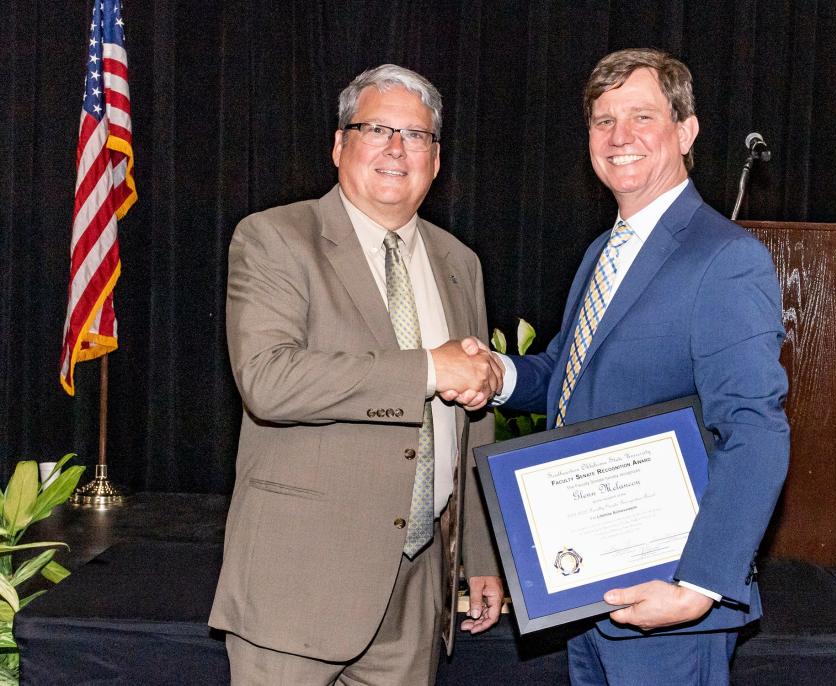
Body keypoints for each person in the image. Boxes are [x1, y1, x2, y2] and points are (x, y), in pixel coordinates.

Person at [478, 48, 790, 685]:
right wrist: (497, 375)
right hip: (589, 589)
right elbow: (568, 371)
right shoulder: (604, 250)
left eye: (642, 116)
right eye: (602, 121)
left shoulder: (725, 258)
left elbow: (755, 430)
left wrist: (698, 586)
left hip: (667, 597)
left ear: (686, 130)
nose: (619, 138)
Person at [209, 64, 504, 685]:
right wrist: (427, 368)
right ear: (340, 145)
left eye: (416, 135)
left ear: (436, 159)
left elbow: (475, 421)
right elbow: (268, 379)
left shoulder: (459, 263)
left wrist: (480, 554)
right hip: (297, 586)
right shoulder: (275, 238)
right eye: (377, 129)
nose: (397, 148)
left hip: (417, 588)